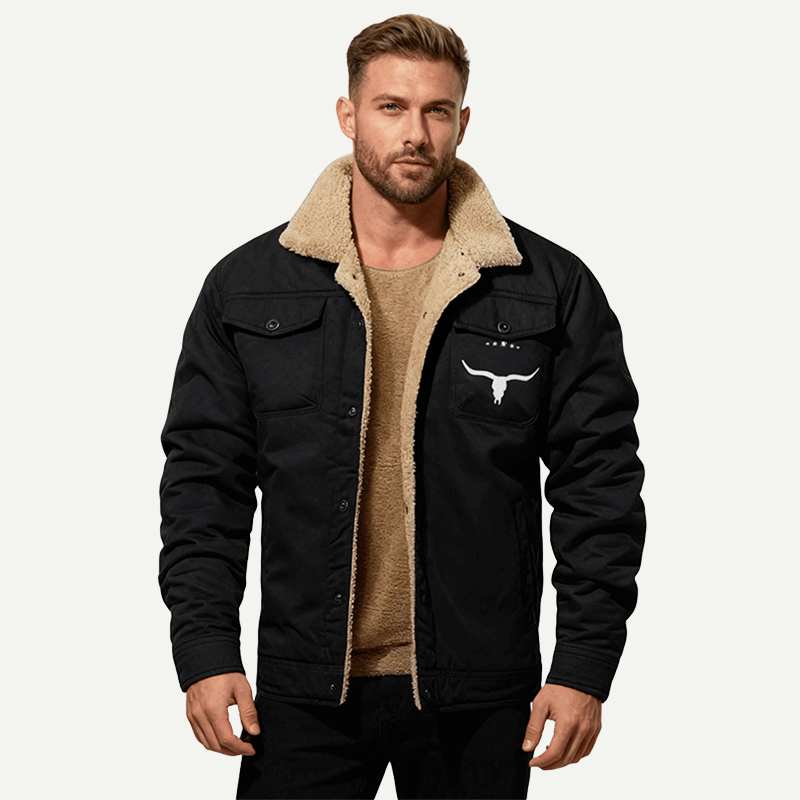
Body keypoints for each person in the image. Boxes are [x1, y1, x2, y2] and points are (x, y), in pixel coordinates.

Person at [158, 13, 646, 799]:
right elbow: (204, 484)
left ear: (463, 122)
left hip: (481, 692)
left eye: (436, 110)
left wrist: (585, 664)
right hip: (305, 689)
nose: (415, 133)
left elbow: (600, 485)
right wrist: (206, 649)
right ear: (348, 115)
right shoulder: (248, 289)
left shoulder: (546, 287)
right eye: (391, 107)